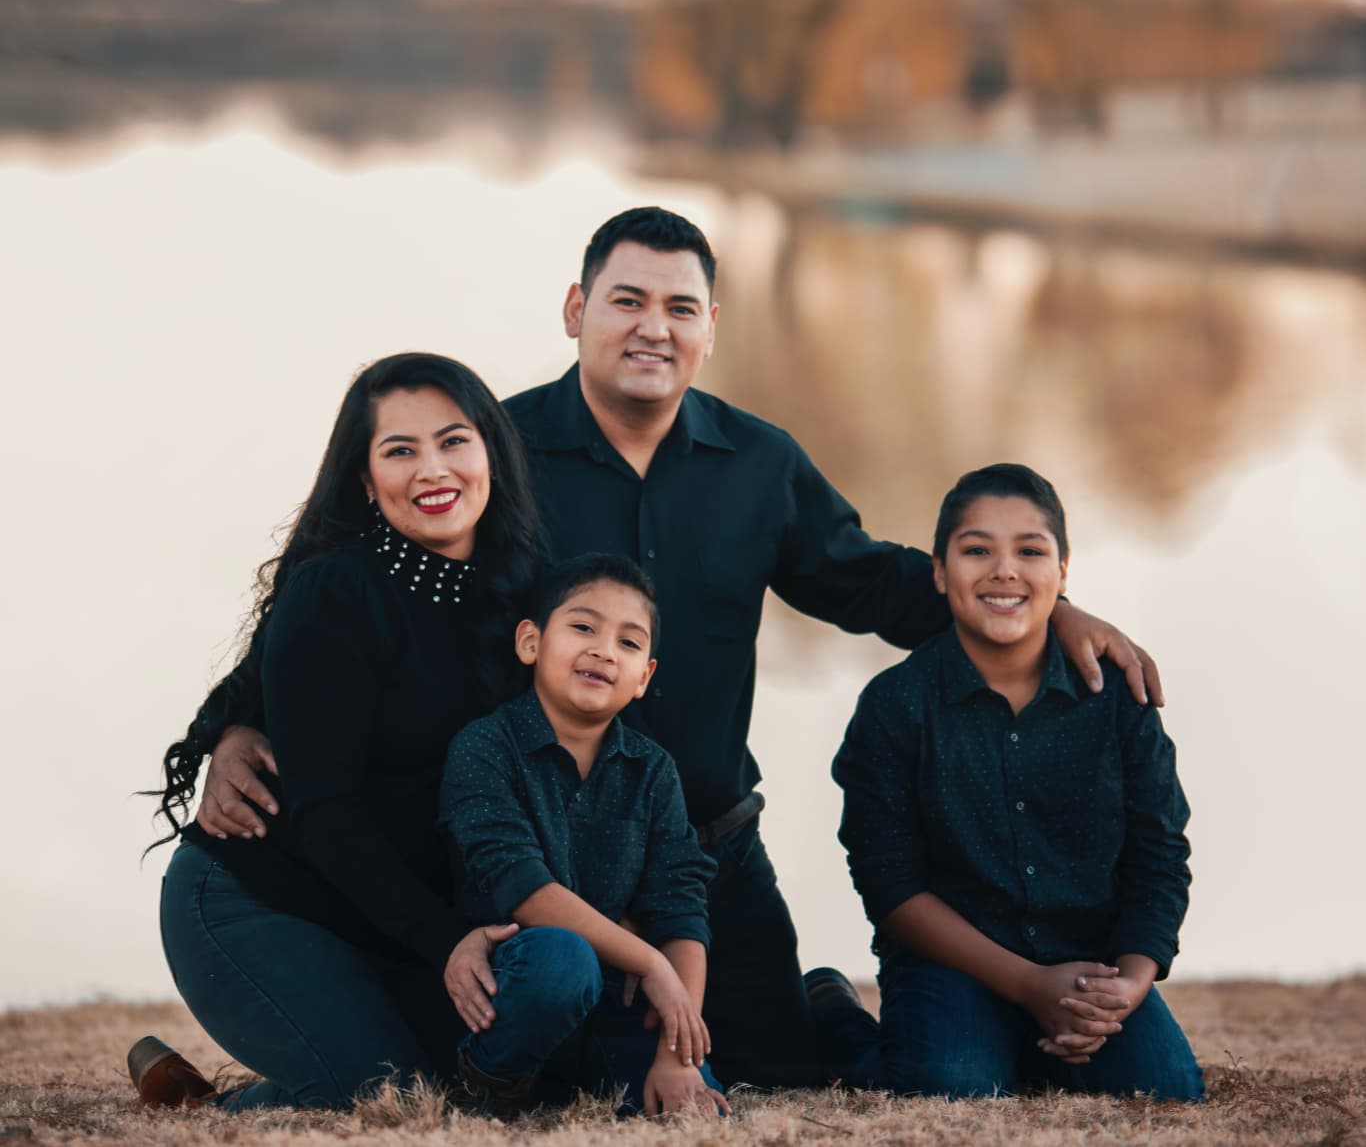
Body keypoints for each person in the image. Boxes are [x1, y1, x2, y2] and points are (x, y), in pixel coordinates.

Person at [193, 208, 1165, 1090]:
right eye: (625, 300)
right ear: (577, 310)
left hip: (707, 840)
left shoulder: (760, 462)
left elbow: (868, 581)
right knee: (571, 1066)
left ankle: (812, 999)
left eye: (680, 306)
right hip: (556, 846)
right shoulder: (495, 451)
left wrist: (1047, 610)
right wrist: (242, 721)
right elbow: (361, 589)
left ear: (709, 327)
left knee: (787, 1066)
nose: (652, 326)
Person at [137, 353, 546, 1110]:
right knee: (384, 1099)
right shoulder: (336, 590)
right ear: (364, 478)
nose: (433, 470)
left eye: (454, 441)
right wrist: (447, 941)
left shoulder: (523, 592)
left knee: (479, 1086)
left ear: (491, 449)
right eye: (399, 450)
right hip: (258, 899)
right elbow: (326, 814)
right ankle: (201, 1107)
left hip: (383, 913)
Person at [831, 464, 1203, 1100]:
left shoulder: (1118, 698)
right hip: (954, 963)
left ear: (1062, 575)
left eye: (1030, 551)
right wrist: (1031, 986)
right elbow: (888, 883)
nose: (1004, 570)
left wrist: (1131, 983)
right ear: (941, 572)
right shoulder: (895, 706)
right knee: (951, 1086)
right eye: (977, 550)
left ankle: (1028, 1049)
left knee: (1166, 1089)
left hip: (1088, 959)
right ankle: (832, 1014)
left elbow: (1160, 852)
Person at [438, 553, 729, 1117]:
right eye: (583, 627)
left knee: (695, 1112)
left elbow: (680, 907)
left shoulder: (652, 770)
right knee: (562, 960)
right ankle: (488, 1084)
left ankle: (587, 1082)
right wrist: (651, 963)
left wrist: (677, 1055)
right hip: (517, 987)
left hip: (617, 1003)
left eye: (628, 642)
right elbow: (521, 887)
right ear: (531, 643)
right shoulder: (485, 747)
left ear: (644, 676)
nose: (603, 650)